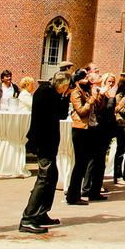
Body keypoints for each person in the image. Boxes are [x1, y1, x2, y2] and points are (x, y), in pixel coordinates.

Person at [19, 71, 70, 234]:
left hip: (49, 142)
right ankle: (28, 218)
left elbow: (60, 113)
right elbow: (60, 113)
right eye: (65, 88)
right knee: (44, 178)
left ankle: (41, 213)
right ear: (62, 85)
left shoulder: (51, 92)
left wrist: (64, 96)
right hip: (44, 142)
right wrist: (64, 97)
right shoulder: (46, 93)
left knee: (52, 177)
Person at [65, 68, 105, 205]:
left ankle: (90, 192)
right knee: (80, 164)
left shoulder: (88, 91)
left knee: (91, 162)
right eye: (84, 76)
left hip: (91, 129)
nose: (87, 78)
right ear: (77, 80)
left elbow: (97, 108)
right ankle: (72, 196)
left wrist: (99, 96)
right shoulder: (75, 92)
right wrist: (93, 98)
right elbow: (81, 111)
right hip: (80, 129)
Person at [86, 73, 118, 196]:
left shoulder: (106, 94)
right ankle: (89, 189)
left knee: (99, 161)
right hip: (99, 130)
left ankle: (95, 188)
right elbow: (106, 111)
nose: (111, 84)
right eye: (109, 81)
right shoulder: (102, 95)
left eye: (113, 82)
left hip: (106, 130)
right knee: (94, 161)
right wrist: (111, 98)